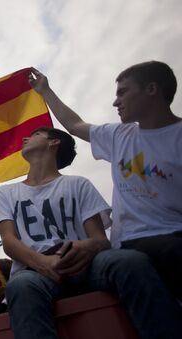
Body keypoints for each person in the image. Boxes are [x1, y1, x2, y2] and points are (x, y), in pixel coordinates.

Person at [0, 127, 182, 339]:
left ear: (54, 143)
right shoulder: (6, 193)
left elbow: (100, 239)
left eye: (35, 135)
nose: (26, 138)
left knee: (130, 261)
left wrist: (87, 246)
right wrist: (43, 263)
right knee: (20, 286)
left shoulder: (78, 184)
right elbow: (9, 241)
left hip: (84, 264)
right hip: (34, 270)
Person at [29, 62, 182, 299]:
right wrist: (45, 90)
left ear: (151, 89)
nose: (115, 102)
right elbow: (74, 124)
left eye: (123, 92)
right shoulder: (119, 135)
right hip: (130, 244)